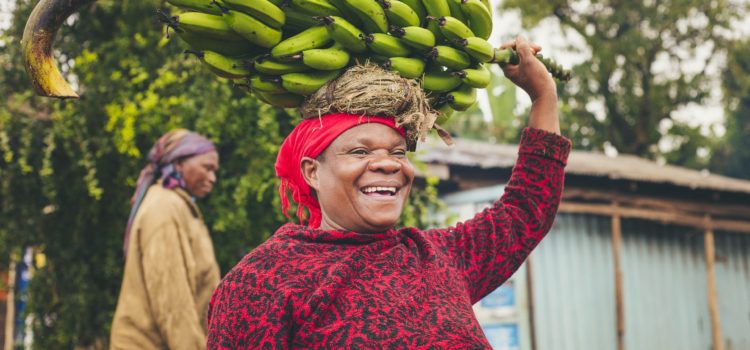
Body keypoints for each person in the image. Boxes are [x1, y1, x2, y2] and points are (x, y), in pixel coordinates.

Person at [206, 37, 571, 348]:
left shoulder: (439, 256)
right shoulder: (262, 283)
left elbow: (526, 209)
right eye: (361, 151)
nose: (388, 164)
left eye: (397, 152)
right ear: (312, 172)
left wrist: (543, 96)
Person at [111, 129, 221, 349]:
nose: (212, 178)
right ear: (179, 163)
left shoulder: (178, 206)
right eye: (207, 168)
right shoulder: (164, 208)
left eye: (215, 171)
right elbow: (172, 302)